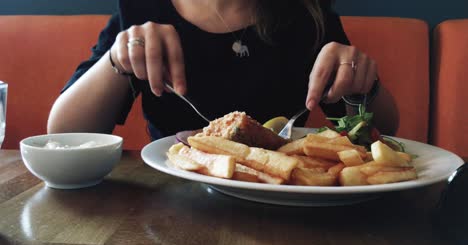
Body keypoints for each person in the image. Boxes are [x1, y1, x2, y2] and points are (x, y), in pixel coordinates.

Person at [47, 0, 399, 141]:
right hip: (169, 200)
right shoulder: (143, 10)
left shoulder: (308, 16)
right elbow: (62, 133)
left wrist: (361, 86)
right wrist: (117, 60)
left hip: (287, 205)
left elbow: (382, 129)